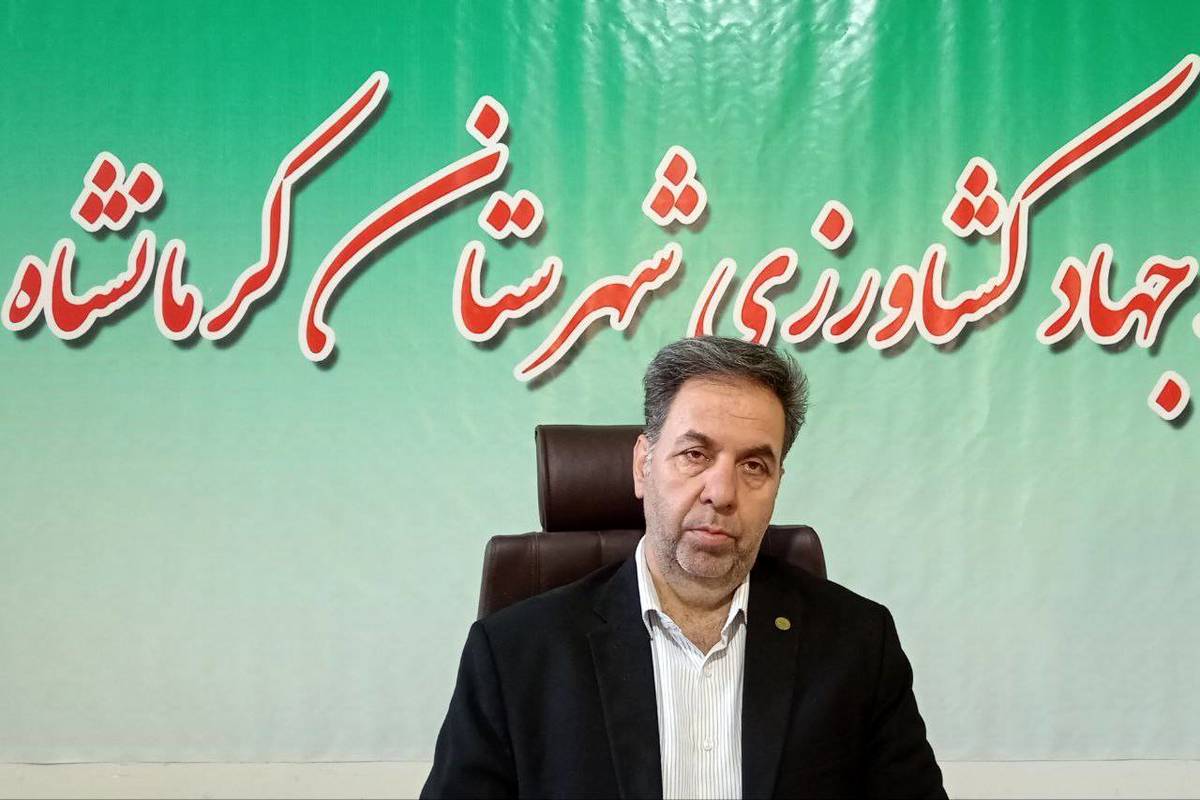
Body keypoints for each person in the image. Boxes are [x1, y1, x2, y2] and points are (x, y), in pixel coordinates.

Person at [422, 336, 945, 799]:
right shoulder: (514, 654)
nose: (721, 492)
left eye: (754, 465)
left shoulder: (859, 644)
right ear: (642, 465)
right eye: (695, 454)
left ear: (777, 484)